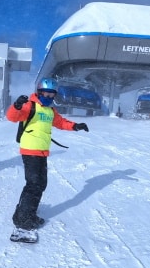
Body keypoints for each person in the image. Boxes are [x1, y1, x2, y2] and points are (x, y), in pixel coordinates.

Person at [6, 77, 89, 243]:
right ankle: (23, 222)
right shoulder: (30, 105)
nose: (49, 96)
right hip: (30, 150)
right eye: (46, 93)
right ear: (39, 91)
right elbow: (13, 117)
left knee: (41, 184)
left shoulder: (50, 111)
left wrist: (76, 126)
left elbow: (61, 122)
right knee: (33, 184)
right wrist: (16, 105)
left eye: (52, 94)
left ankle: (28, 213)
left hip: (42, 152)